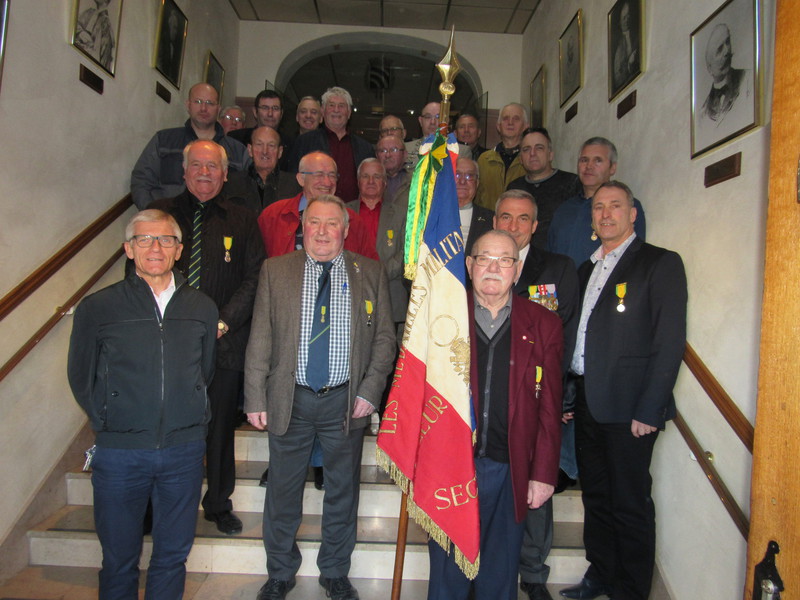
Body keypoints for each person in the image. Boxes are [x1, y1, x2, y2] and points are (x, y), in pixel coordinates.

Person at [244, 194, 396, 600]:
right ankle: (280, 572)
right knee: (282, 492)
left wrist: (370, 390)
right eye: (315, 222)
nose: (323, 231)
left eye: (332, 223)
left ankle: (334, 572)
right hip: (289, 399)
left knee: (343, 492)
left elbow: (384, 339)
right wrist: (255, 395)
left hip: (345, 402)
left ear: (346, 230)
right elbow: (260, 336)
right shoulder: (276, 270)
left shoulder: (370, 272)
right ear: (303, 227)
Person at [67, 209, 218, 598]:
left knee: (173, 556)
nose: (155, 247)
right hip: (120, 453)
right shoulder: (98, 308)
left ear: (179, 250)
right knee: (118, 559)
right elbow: (81, 376)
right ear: (129, 249)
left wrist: (190, 415)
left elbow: (205, 370)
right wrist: (109, 420)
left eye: (166, 239)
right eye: (145, 239)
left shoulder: (202, 307)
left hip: (183, 451)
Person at [559, 181, 687, 600]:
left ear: (632, 215)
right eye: (599, 207)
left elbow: (669, 342)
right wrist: (568, 394)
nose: (606, 213)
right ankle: (601, 574)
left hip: (631, 409)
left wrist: (650, 409)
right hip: (588, 401)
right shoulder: (586, 269)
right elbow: (578, 338)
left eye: (615, 206)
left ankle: (630, 590)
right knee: (596, 496)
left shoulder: (659, 263)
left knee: (630, 503)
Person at [427, 229, 563, 600]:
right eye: (484, 258)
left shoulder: (544, 324)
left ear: (517, 270)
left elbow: (550, 406)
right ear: (469, 265)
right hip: (451, 467)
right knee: (447, 574)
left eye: (504, 260)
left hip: (511, 468)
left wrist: (543, 473)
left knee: (499, 576)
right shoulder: (442, 317)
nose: (493, 268)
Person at [149, 140, 265, 536]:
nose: (204, 172)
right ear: (183, 171)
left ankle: (218, 503)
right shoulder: (160, 215)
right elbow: (141, 274)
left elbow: (255, 277)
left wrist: (223, 321)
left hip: (224, 343)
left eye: (212, 166)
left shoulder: (243, 220)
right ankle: (155, 504)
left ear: (225, 174)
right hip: (168, 344)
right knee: (163, 426)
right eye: (196, 165)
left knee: (219, 431)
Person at [493, 190, 579, 600]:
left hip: (536, 395)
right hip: (490, 397)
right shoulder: (477, 264)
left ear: (535, 225)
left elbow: (568, 334)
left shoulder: (558, 268)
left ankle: (532, 573)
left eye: (523, 218)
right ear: (494, 221)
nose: (513, 226)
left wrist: (558, 397)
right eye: (506, 217)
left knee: (537, 484)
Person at [130, 82, 249, 209]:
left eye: (210, 103)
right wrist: (153, 214)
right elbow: (141, 180)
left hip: (219, 220)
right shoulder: (164, 141)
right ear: (188, 105)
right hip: (169, 218)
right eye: (198, 101)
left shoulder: (237, 150)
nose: (203, 108)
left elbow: (248, 192)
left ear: (218, 109)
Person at [257, 150, 377, 260]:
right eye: (319, 175)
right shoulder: (272, 216)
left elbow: (370, 267)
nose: (327, 182)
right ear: (301, 179)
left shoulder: (353, 221)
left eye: (332, 175)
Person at [548, 137, 645, 267]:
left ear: (612, 168)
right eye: (584, 160)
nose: (589, 166)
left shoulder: (626, 207)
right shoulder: (564, 209)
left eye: (598, 160)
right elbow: (550, 255)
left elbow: (635, 257)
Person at [347, 158, 408, 325]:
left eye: (377, 176)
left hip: (391, 296)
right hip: (350, 293)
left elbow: (406, 252)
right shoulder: (342, 212)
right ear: (358, 182)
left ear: (385, 182)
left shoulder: (402, 214)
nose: (371, 181)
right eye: (365, 176)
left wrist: (378, 274)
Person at [287, 87, 375, 202]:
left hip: (352, 210)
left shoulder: (365, 148)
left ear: (349, 113)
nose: (336, 110)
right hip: (314, 208)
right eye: (331, 105)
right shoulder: (304, 142)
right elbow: (292, 181)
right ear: (323, 111)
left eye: (341, 106)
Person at [507, 127, 580, 249]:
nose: (532, 154)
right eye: (526, 149)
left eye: (539, 148)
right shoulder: (514, 188)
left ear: (550, 154)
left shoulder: (572, 183)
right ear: (520, 158)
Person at [223, 126, 300, 213]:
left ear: (280, 152)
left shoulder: (294, 185)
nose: (265, 151)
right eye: (259, 144)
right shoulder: (232, 183)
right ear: (250, 150)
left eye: (271, 145)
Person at [699, 23, 754, 127]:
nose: (727, 51)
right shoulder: (703, 113)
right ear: (710, 68)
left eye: (727, 42)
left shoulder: (749, 80)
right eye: (719, 49)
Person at [475, 103, 528, 209]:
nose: (510, 123)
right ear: (498, 126)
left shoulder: (530, 159)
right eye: (505, 118)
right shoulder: (484, 159)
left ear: (525, 126)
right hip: (489, 218)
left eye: (516, 119)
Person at [455, 157, 494, 257]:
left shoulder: (491, 221)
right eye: (457, 175)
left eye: (469, 176)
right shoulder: (431, 217)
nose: (462, 181)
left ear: (477, 183)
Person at [75, 0, 114, 71]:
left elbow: (102, 59)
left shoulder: (106, 24)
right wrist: (80, 33)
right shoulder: (89, 13)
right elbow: (75, 25)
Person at [612, 0, 639, 92]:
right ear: (619, 20)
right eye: (624, 17)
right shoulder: (617, 44)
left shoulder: (636, 36)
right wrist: (629, 65)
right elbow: (618, 77)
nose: (626, 20)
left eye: (628, 16)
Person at [376, 133, 410, 206]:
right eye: (383, 151)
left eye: (394, 150)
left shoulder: (417, 180)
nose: (388, 155)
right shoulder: (370, 182)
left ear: (405, 154)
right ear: (377, 156)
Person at [405, 101, 441, 169]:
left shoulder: (458, 150)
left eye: (438, 117)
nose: (433, 122)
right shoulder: (406, 149)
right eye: (428, 117)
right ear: (420, 121)